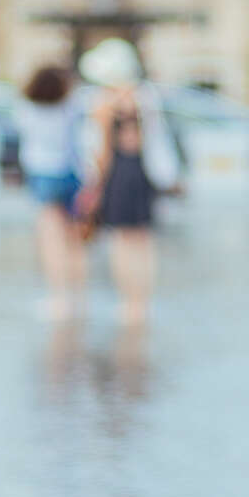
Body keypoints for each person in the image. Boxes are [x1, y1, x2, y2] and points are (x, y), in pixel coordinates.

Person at [77, 38, 180, 327]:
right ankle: (142, 302)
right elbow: (157, 141)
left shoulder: (103, 102)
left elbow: (101, 152)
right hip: (143, 173)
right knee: (144, 241)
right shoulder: (145, 97)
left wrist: (94, 185)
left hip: (119, 175)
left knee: (122, 241)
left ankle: (129, 303)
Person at [21, 64, 87, 320]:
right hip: (71, 172)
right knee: (75, 241)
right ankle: (78, 297)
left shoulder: (27, 109)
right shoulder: (72, 107)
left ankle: (59, 298)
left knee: (51, 241)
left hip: (42, 173)